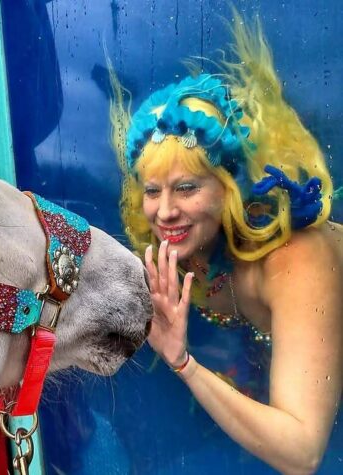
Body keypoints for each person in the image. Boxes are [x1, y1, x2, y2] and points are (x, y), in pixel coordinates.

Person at [112, 17, 342, 474]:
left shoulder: (297, 259)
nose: (165, 211)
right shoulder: (180, 253)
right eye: (153, 191)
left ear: (230, 188)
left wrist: (184, 364)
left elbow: (302, 454)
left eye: (187, 187)